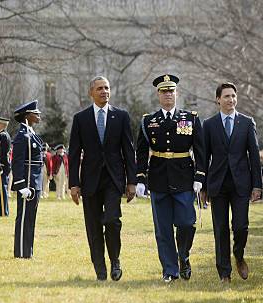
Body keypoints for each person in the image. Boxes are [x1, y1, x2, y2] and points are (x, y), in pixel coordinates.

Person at [136, 74, 205, 283]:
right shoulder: (149, 121)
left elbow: (200, 149)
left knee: (187, 223)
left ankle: (183, 256)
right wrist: (140, 178)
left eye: (171, 91)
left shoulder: (190, 118)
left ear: (177, 93)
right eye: (164, 91)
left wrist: (200, 176)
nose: (168, 94)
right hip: (158, 179)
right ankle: (170, 270)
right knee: (163, 228)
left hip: (184, 178)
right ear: (158, 94)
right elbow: (141, 151)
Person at [69, 76, 137, 281]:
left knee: (113, 220)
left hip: (114, 180)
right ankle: (100, 269)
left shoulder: (121, 116)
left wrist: (131, 181)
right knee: (93, 226)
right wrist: (74, 184)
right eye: (99, 88)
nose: (104, 92)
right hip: (90, 181)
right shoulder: (80, 119)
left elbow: (128, 150)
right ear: (91, 92)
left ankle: (115, 260)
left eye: (107, 88)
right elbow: (73, 153)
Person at [202, 82, 262, 282]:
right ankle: (224, 273)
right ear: (218, 99)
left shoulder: (246, 123)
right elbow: (203, 157)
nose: (231, 100)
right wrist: (202, 186)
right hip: (217, 184)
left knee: (240, 226)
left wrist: (257, 185)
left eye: (233, 96)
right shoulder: (209, 125)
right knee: (220, 229)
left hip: (241, 184)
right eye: (226, 96)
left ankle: (238, 255)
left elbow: (254, 156)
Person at [11, 100, 45, 259]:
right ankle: (21, 252)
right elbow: (16, 162)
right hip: (28, 184)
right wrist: (20, 185)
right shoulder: (22, 136)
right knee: (24, 218)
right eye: (35, 113)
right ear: (27, 116)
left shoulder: (31, 134)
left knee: (30, 218)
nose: (38, 115)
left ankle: (27, 251)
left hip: (35, 183)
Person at [0, 116, 12, 216]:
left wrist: (0, 165)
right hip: (5, 164)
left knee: (2, 188)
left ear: (2, 124)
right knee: (3, 188)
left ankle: (3, 210)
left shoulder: (2, 136)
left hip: (3, 164)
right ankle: (4, 209)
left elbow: (2, 153)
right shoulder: (5, 135)